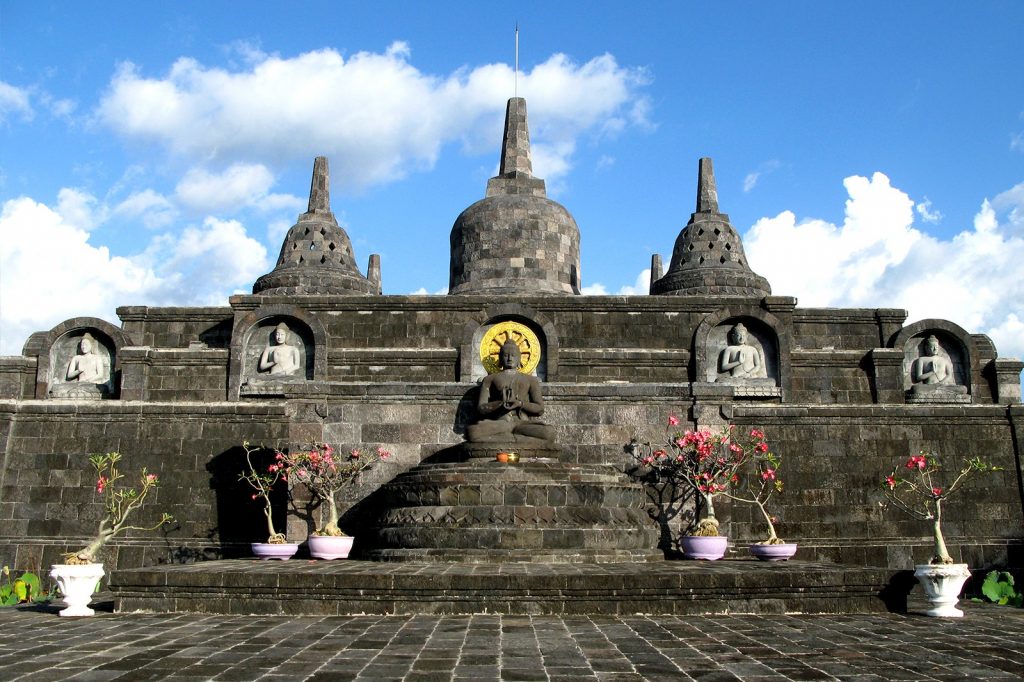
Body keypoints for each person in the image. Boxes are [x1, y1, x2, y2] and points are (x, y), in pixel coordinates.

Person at [467, 339, 555, 444]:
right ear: (500, 358)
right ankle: (517, 438)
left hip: (522, 423)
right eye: (505, 355)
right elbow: (481, 408)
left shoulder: (531, 380)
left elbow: (540, 409)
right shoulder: (490, 379)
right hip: (500, 423)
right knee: (472, 431)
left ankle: (506, 438)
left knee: (549, 432)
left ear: (519, 358)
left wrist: (520, 404)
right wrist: (500, 404)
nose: (509, 358)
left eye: (513, 355)